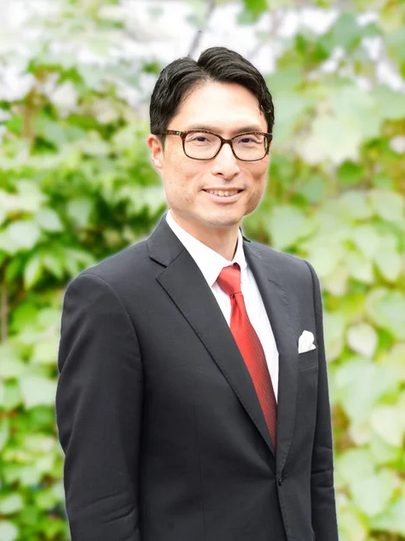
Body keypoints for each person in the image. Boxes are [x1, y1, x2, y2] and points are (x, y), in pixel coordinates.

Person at [56, 46, 339, 541]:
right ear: (157, 150)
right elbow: (101, 506)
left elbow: (315, 472)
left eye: (247, 140)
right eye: (201, 140)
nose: (227, 164)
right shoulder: (110, 299)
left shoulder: (297, 281)